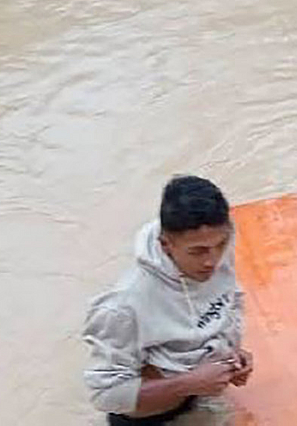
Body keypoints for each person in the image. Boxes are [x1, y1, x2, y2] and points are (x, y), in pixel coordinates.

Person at [83, 176, 252, 424]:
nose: (212, 261)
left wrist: (233, 351)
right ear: (165, 245)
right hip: (149, 418)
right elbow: (105, 394)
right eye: (198, 251)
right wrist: (190, 383)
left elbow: (230, 299)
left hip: (199, 392)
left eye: (221, 244)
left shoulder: (214, 246)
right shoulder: (124, 306)